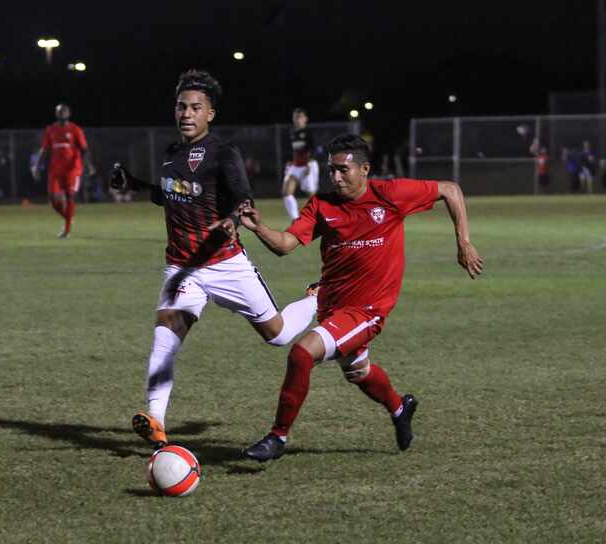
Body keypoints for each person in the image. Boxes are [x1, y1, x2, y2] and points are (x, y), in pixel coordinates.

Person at [239, 134, 483, 462]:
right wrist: (259, 228)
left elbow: (450, 190)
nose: (336, 177)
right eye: (331, 171)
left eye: (343, 170)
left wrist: (463, 241)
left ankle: (277, 437)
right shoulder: (322, 205)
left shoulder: (391, 194)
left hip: (368, 311)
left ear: (364, 169)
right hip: (332, 307)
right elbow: (284, 245)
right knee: (359, 372)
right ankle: (400, 409)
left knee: (301, 353)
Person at [109, 69, 319, 449]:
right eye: (180, 107)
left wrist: (234, 218)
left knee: (279, 335)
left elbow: (244, 197)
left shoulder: (224, 152)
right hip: (183, 267)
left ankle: (315, 299)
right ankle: (155, 420)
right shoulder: (172, 154)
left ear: (210, 114)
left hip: (225, 263)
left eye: (195, 107)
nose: (186, 114)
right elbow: (171, 194)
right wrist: (135, 184)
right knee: (164, 339)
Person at [31, 103, 96, 238]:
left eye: (64, 111)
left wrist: (89, 165)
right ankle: (68, 218)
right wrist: (37, 167)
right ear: (56, 114)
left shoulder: (75, 129)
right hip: (55, 170)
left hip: (72, 168)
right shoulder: (50, 130)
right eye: (59, 112)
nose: (62, 114)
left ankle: (66, 230)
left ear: (68, 114)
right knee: (53, 200)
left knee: (70, 196)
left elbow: (84, 150)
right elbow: (44, 150)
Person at [281, 108, 319, 220]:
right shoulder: (292, 132)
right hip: (296, 165)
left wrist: (309, 163)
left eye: (300, 117)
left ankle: (318, 218)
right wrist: (290, 161)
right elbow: (295, 150)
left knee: (311, 194)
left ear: (305, 119)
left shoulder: (308, 132)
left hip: (308, 164)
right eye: (296, 117)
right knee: (286, 192)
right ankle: (296, 219)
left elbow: (314, 149)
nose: (298, 119)